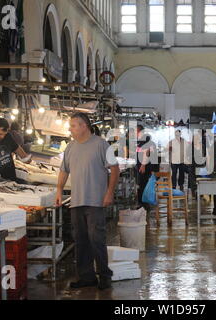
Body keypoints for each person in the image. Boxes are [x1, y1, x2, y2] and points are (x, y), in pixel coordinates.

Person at [55, 112, 120, 290]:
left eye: (74, 125)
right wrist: (59, 190)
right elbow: (64, 170)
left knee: (96, 239)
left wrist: (109, 192)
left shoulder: (101, 144)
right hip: (77, 200)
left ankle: (104, 276)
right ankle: (86, 276)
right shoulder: (70, 147)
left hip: (96, 201)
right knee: (81, 240)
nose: (70, 128)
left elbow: (115, 169)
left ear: (84, 126)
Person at [136, 125, 157, 210]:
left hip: (144, 166)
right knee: (142, 184)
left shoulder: (145, 139)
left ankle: (144, 204)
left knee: (143, 184)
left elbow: (147, 152)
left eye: (136, 131)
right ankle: (143, 203)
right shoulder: (141, 140)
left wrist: (143, 165)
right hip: (142, 165)